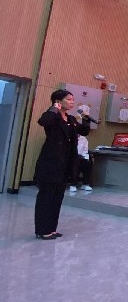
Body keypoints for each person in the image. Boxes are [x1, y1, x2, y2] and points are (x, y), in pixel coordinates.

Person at [33, 89, 90, 240]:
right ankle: (42, 230)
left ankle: (51, 229)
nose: (72, 102)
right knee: (46, 197)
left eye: (73, 99)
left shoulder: (71, 119)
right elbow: (44, 122)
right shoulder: (52, 116)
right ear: (58, 101)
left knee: (57, 198)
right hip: (51, 163)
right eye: (69, 99)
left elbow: (84, 131)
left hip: (65, 164)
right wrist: (54, 108)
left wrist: (86, 118)